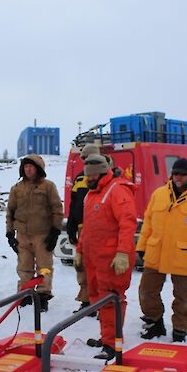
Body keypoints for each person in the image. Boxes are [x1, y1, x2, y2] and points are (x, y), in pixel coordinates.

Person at [136, 158, 187, 342]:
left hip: (185, 256)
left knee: (183, 297)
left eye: (182, 174)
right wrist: (142, 246)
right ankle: (154, 323)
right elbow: (148, 223)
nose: (178, 177)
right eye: (175, 173)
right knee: (146, 291)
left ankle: (181, 329)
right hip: (156, 252)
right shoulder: (159, 194)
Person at [74, 154, 137, 360]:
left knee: (112, 300)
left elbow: (127, 224)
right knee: (99, 299)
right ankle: (106, 337)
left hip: (111, 260)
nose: (87, 179)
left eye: (90, 176)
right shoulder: (91, 194)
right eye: (86, 175)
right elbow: (88, 226)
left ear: (101, 173)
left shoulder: (117, 190)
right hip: (94, 259)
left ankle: (113, 344)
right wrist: (80, 250)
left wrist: (122, 254)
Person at [6, 154, 63, 312]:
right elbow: (10, 211)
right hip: (23, 235)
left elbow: (57, 210)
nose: (28, 169)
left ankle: (43, 295)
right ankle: (25, 293)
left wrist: (55, 232)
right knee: (24, 267)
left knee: (44, 267)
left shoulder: (48, 187)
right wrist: (10, 233)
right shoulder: (17, 189)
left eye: (31, 166)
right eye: (25, 166)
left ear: (38, 169)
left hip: (43, 235)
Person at [67, 144, 100, 314]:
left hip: (101, 232)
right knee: (82, 266)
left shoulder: (106, 177)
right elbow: (75, 204)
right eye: (84, 159)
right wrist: (71, 225)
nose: (86, 162)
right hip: (82, 230)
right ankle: (86, 301)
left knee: (100, 268)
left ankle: (102, 302)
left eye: (88, 159)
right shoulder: (80, 178)